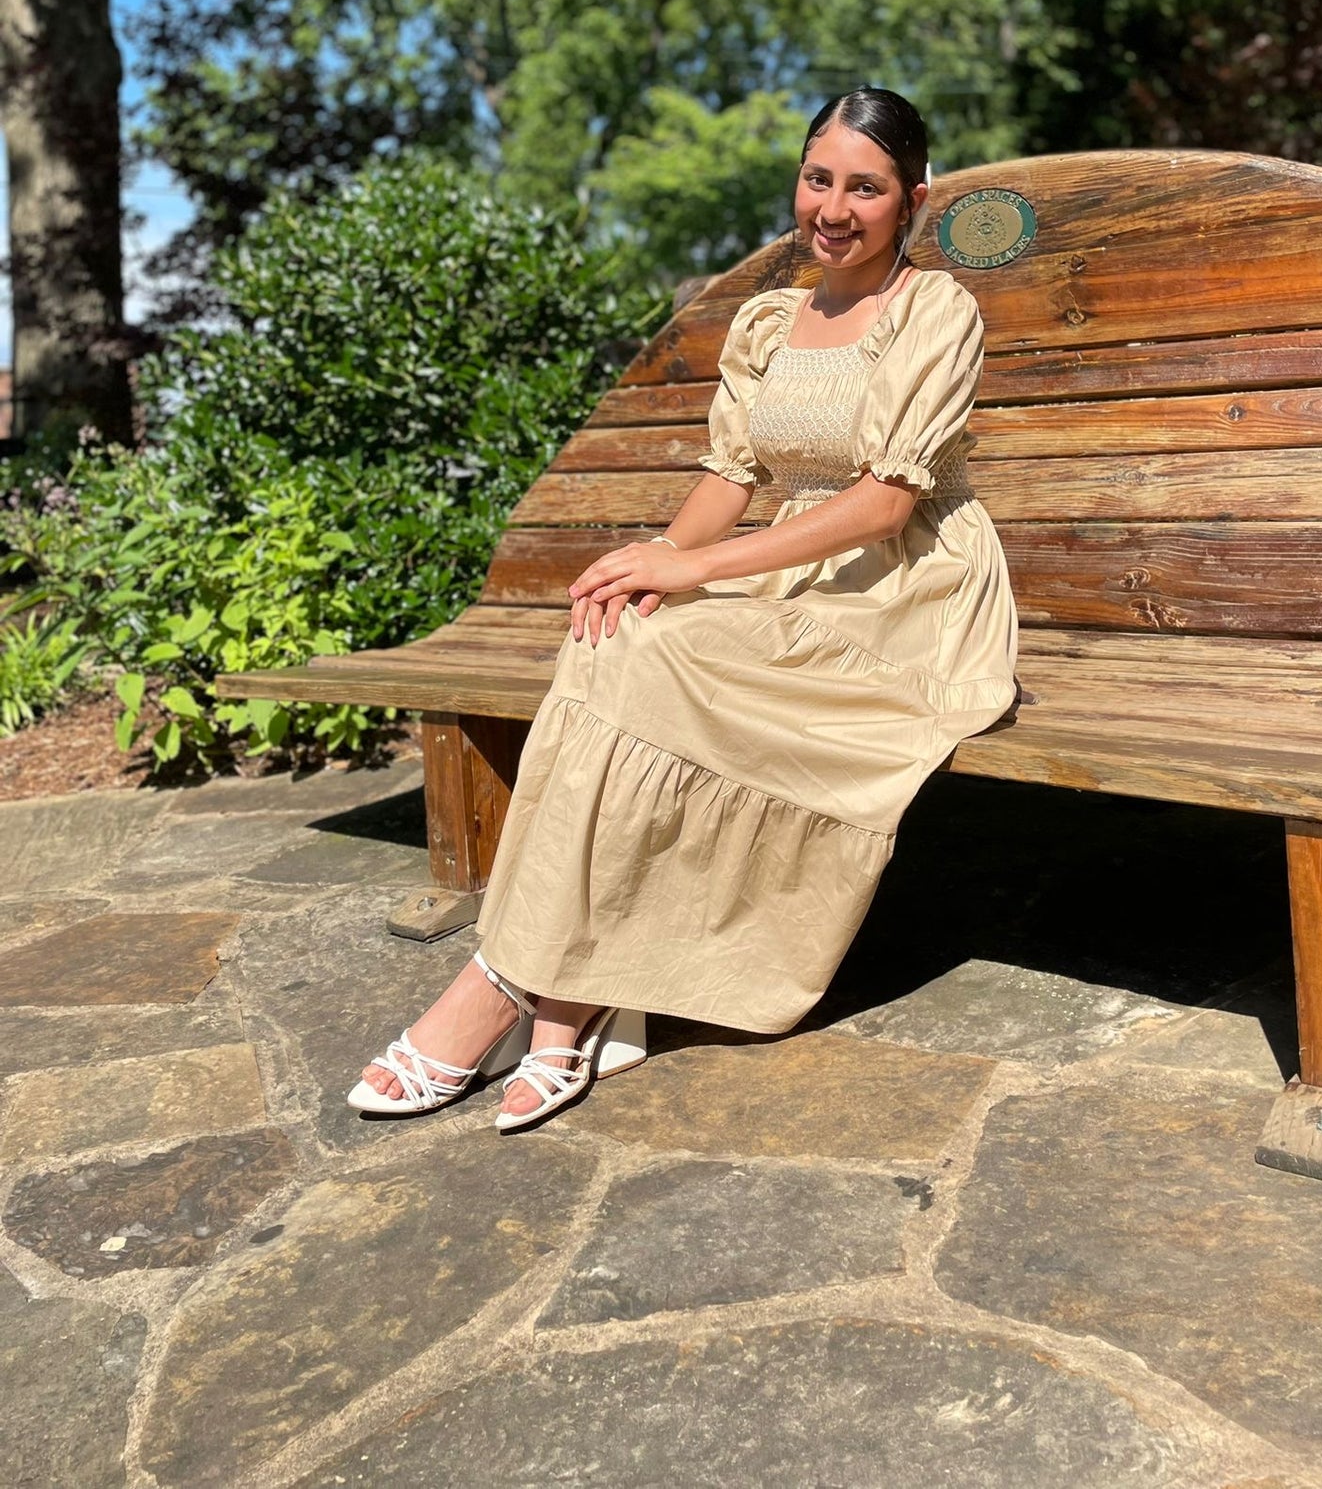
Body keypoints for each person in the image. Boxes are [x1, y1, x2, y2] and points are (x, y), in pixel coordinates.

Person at [349, 87, 1019, 1130]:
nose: (831, 208)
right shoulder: (766, 320)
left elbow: (885, 500)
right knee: (612, 633)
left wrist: (695, 574)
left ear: (912, 200)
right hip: (785, 564)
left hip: (901, 587)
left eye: (864, 187)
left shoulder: (934, 311)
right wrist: (654, 556)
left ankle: (501, 989)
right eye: (816, 177)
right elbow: (731, 479)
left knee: (657, 653)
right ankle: (566, 1013)